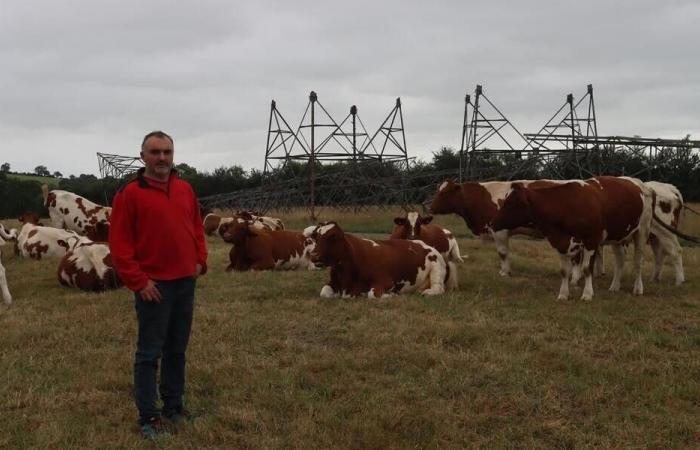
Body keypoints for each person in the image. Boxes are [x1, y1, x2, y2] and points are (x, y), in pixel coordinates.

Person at [109, 130, 208, 439]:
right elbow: (120, 245)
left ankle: (174, 408)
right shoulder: (129, 194)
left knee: (177, 349)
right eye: (155, 152)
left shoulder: (185, 189)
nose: (162, 158)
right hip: (154, 286)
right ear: (143, 157)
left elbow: (196, 227)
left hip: (184, 283)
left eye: (167, 152)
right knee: (149, 353)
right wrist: (139, 282)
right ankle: (149, 417)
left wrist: (200, 261)